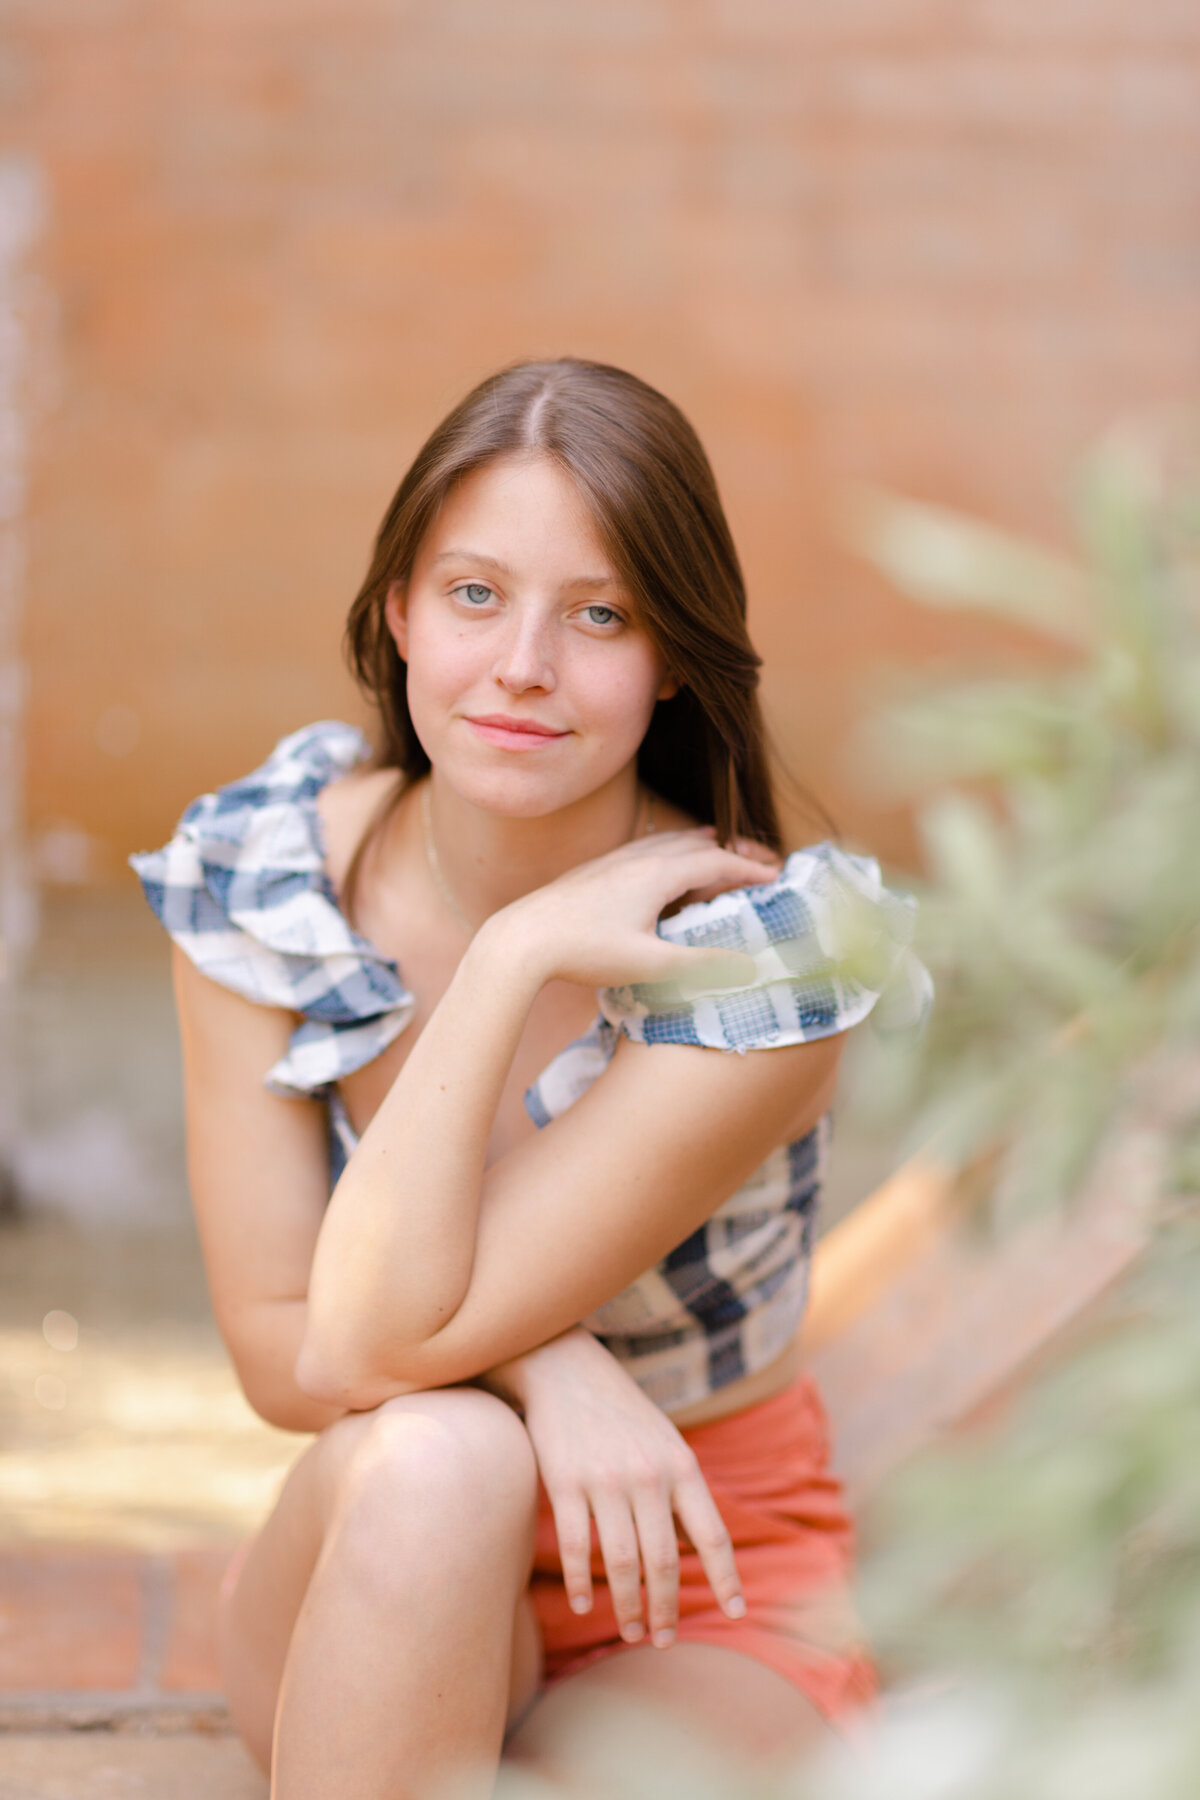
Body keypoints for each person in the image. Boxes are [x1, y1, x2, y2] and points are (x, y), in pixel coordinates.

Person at [133, 358, 928, 1800]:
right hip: (385, 1541)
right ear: (398, 611)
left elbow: (366, 1334)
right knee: (437, 1451)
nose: (521, 669)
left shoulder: (761, 958)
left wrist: (502, 961)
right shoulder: (268, 876)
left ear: (676, 654)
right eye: (475, 596)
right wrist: (510, 969)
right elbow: (290, 1355)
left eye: (601, 616)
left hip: (693, 1566)